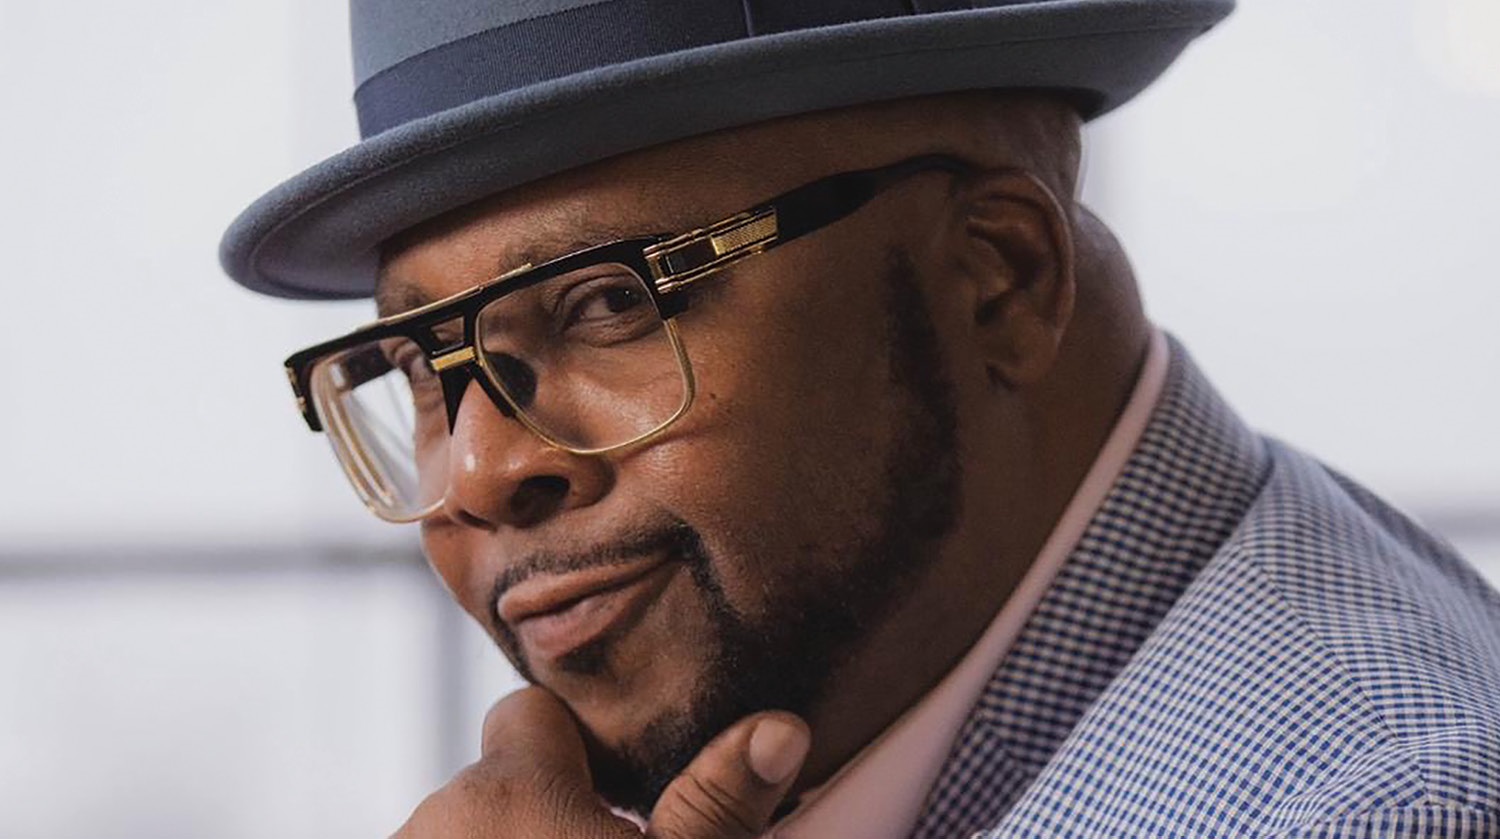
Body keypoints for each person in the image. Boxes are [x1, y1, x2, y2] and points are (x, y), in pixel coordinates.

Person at [220, 2, 1500, 837]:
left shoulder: (1380, 804)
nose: (486, 468)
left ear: (1001, 278)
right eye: (422, 368)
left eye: (610, 301)